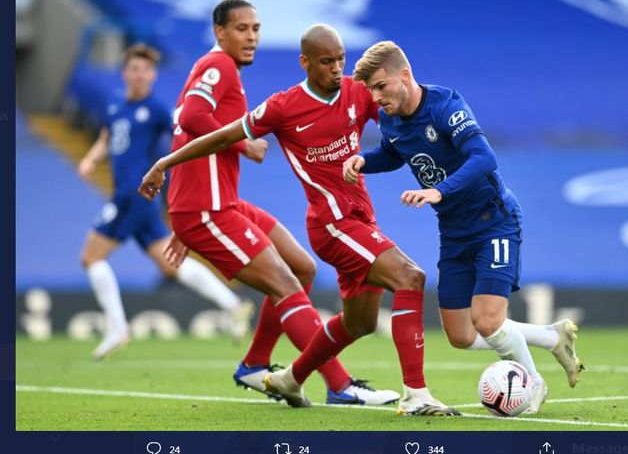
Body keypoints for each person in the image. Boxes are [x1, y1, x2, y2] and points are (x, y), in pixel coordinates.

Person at [139, 24, 460, 416]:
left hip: (361, 219)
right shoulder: (283, 106)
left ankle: (291, 378)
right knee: (410, 277)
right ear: (305, 62)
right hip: (332, 225)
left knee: (358, 323)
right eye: (327, 62)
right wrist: (166, 162)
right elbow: (223, 137)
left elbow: (400, 120)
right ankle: (416, 394)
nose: (336, 69)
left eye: (341, 59)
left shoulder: (359, 91)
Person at [343, 40, 585, 413]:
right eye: (371, 90)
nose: (376, 98)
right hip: (453, 231)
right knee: (461, 335)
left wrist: (439, 191)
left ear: (405, 75)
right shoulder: (390, 118)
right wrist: (365, 161)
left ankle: (534, 384)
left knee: (488, 321)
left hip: (494, 222)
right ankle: (551, 336)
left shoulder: (445, 105)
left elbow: (483, 157)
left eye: (381, 86)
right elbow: (393, 152)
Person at [78, 43, 253, 361]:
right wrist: (91, 159)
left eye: (145, 70)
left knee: (91, 257)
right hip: (129, 197)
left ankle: (117, 328)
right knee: (170, 264)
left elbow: (182, 135)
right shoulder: (116, 104)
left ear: (153, 75)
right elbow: (107, 136)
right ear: (125, 72)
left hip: (133, 195)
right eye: (134, 68)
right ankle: (233, 304)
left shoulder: (157, 110)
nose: (139, 74)